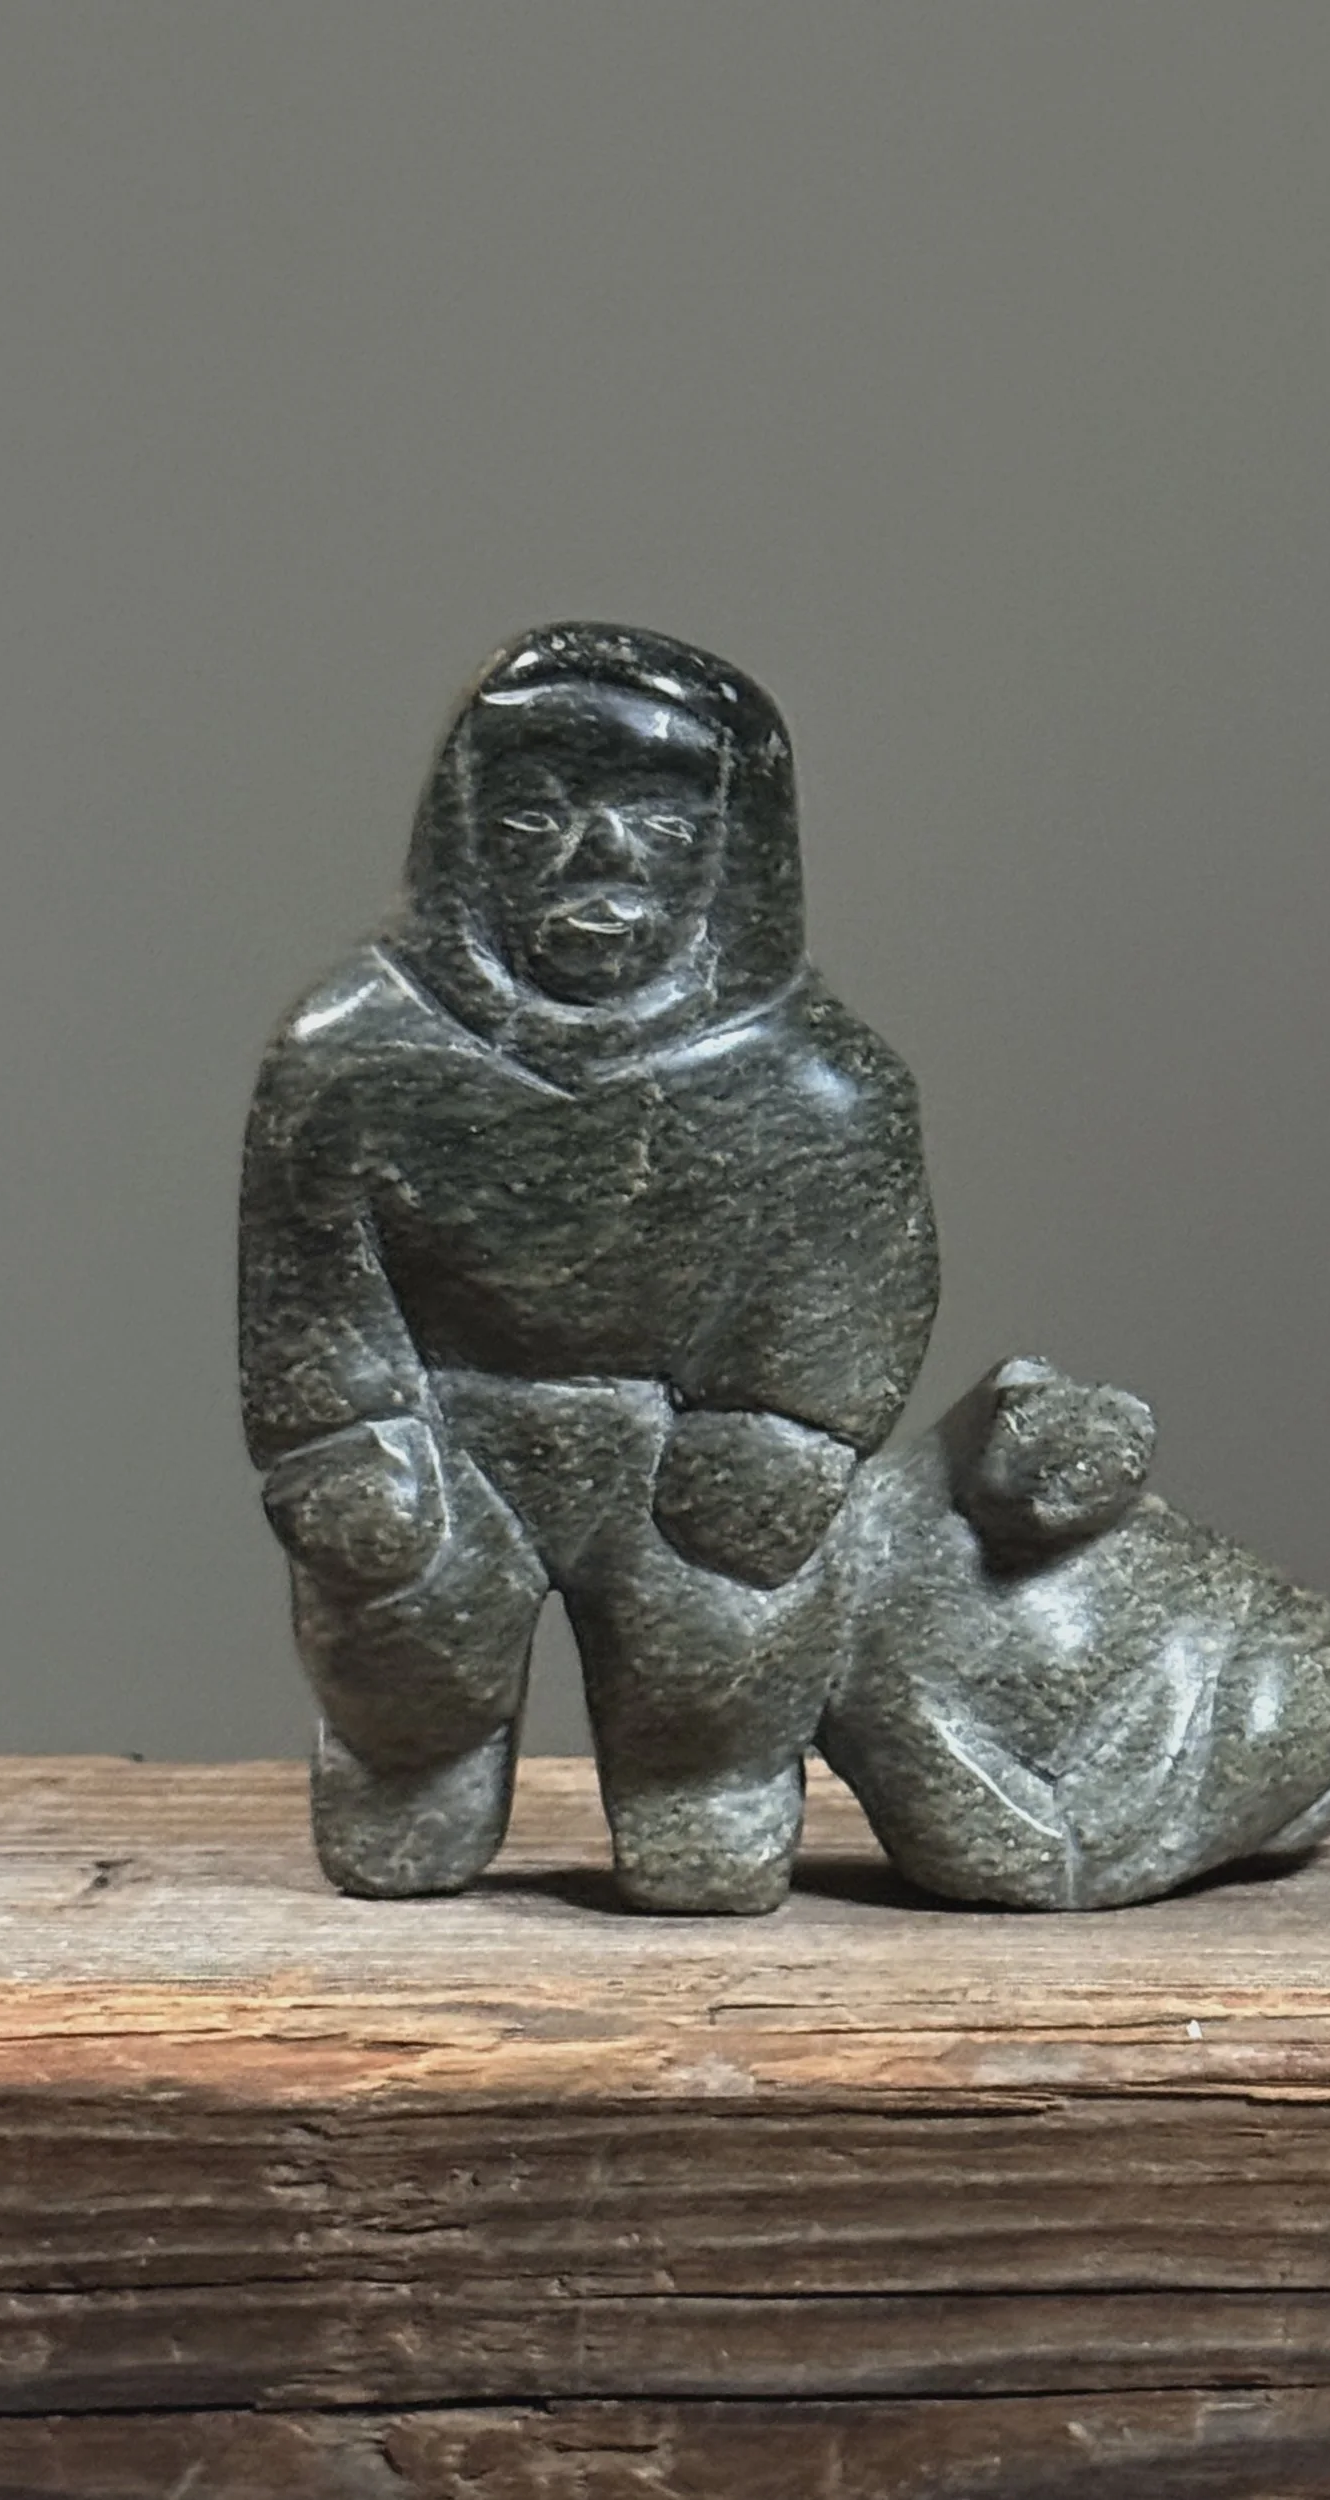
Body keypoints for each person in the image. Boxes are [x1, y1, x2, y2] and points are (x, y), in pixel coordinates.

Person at [239, 624, 938, 1910]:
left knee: (714, 1646)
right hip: (444, 1428)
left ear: (738, 850)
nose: (596, 856)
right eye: (531, 817)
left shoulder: (820, 1087)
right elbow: (316, 1292)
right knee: (403, 1630)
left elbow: (846, 1293)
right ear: (461, 841)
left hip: (685, 1449)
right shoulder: (352, 1057)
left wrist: (788, 1429)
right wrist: (337, 1437)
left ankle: (706, 1789)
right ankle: (411, 1772)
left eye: (658, 822)